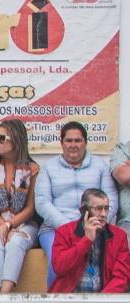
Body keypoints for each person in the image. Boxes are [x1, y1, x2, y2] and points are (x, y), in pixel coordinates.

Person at [36, 121, 119, 285]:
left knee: (106, 266)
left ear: (85, 142)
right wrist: (69, 228)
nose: (73, 145)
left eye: (78, 140)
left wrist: (97, 224)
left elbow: (112, 199)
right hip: (55, 229)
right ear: (61, 143)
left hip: (96, 227)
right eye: (69, 141)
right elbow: (42, 202)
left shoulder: (100, 166)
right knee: (57, 264)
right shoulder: (48, 167)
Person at [0, 118, 40, 294]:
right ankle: (2, 296)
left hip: (24, 224)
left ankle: (4, 295)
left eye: (2, 138)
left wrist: (9, 225)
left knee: (16, 242)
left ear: (16, 139)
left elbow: (30, 208)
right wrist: (1, 225)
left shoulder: (33, 169)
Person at [48, 189, 130, 293]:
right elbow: (60, 267)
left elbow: (122, 277)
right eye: (99, 209)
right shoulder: (64, 232)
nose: (104, 214)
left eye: (106, 208)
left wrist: (101, 301)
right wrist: (86, 240)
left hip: (104, 301)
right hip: (69, 299)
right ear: (84, 210)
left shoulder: (119, 236)